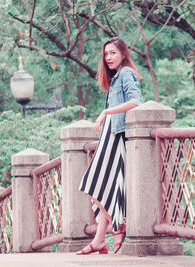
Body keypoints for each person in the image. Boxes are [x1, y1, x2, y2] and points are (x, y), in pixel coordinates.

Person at [76, 37, 144, 255]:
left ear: (123, 54)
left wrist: (106, 112)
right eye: (106, 54)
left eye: (113, 53)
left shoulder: (125, 73)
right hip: (109, 136)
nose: (109, 58)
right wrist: (104, 118)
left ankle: (118, 225)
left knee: (91, 183)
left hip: (116, 138)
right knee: (102, 187)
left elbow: (136, 101)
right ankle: (99, 241)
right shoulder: (115, 78)